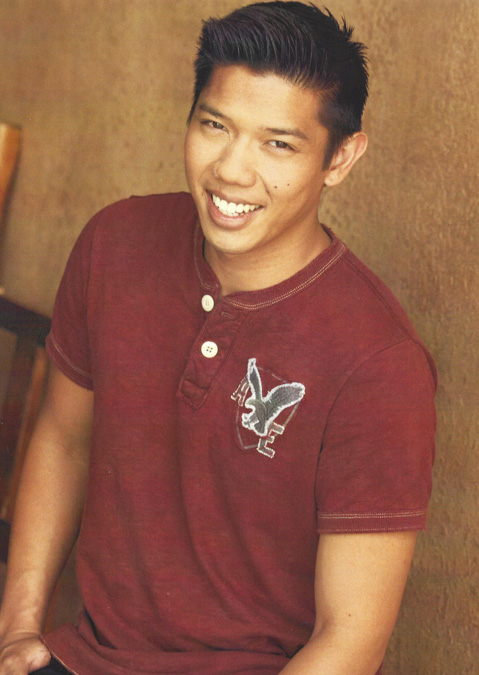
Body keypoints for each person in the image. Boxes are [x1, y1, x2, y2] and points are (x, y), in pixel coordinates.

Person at [0, 2, 436, 674]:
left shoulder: (380, 362)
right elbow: (64, 437)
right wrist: (18, 629)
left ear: (340, 158)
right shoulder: (116, 243)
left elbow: (349, 642)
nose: (231, 171)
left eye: (277, 144)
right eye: (215, 125)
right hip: (86, 658)